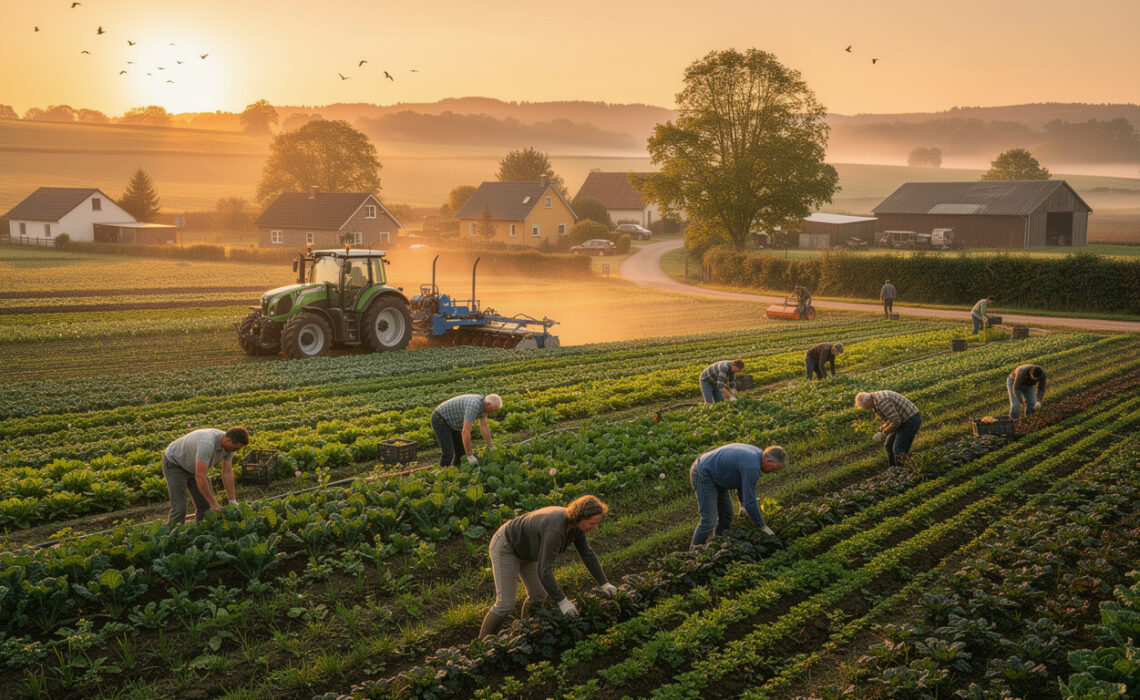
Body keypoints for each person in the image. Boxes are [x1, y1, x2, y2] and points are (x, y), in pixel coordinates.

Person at [479, 495, 617, 637]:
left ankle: (525, 631)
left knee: (538, 595)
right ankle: (483, 643)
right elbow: (544, 570)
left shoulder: (577, 528)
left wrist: (604, 583)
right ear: (580, 518)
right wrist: (562, 601)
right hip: (507, 546)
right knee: (505, 605)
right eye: (592, 523)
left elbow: (587, 554)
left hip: (529, 549)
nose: (595, 527)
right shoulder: (555, 529)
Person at [690, 443, 788, 547]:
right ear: (769, 461)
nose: (773, 472)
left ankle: (717, 544)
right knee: (709, 520)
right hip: (703, 473)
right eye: (774, 469)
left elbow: (742, 480)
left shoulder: (758, 455)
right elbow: (750, 501)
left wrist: (742, 503)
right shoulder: (752, 466)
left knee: (727, 516)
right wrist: (762, 526)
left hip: (717, 473)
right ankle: (693, 552)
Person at [162, 426, 248, 526]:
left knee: (205, 504)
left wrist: (232, 500)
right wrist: (213, 504)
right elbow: (200, 476)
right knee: (179, 507)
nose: (235, 451)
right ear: (228, 440)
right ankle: (173, 533)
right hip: (175, 463)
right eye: (235, 448)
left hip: (195, 466)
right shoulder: (207, 444)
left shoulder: (229, 448)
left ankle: (203, 529)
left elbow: (227, 472)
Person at [431, 393, 502, 466]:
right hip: (440, 419)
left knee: (461, 452)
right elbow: (465, 432)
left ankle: (456, 470)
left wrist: (490, 446)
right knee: (448, 454)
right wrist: (470, 455)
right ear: (487, 404)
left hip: (453, 422)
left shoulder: (483, 406)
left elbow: (484, 426)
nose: (491, 412)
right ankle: (442, 472)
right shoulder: (474, 406)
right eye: (491, 409)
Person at [855, 391, 921, 467]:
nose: (866, 409)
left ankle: (904, 469)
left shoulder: (882, 402)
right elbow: (891, 418)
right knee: (889, 445)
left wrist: (884, 433)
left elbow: (896, 421)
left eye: (864, 406)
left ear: (868, 401)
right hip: (902, 419)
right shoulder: (875, 400)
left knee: (898, 449)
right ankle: (893, 468)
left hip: (910, 419)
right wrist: (883, 427)